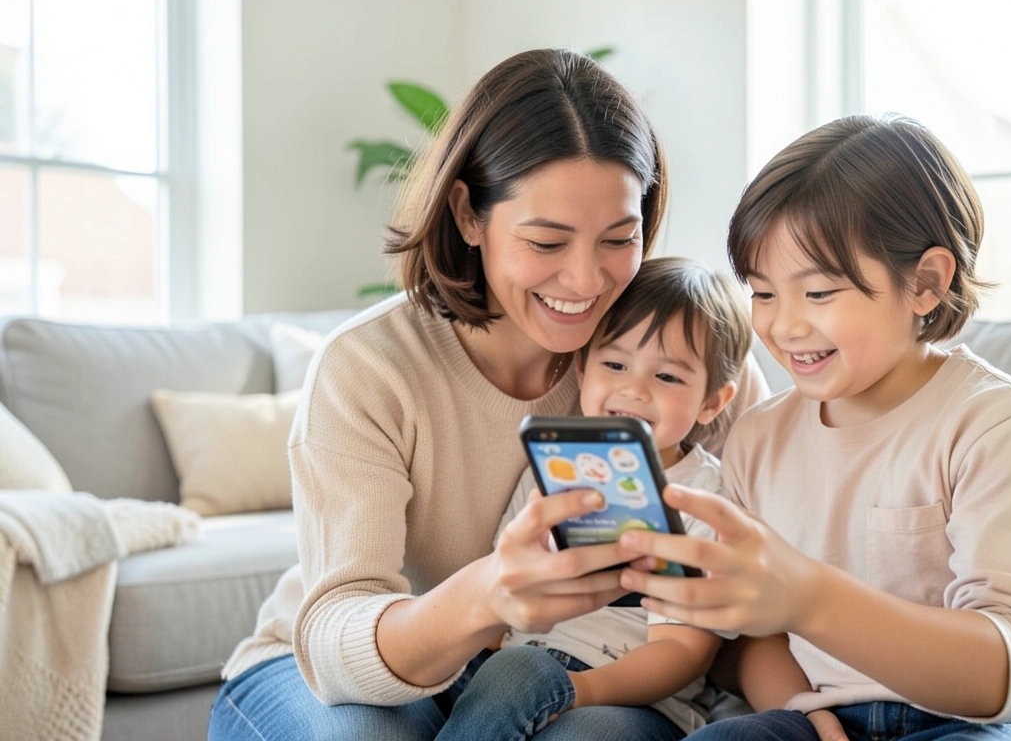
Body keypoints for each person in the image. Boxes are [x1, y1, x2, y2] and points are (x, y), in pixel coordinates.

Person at [207, 49, 768, 741]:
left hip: (567, 669)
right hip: (337, 672)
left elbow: (765, 582)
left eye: (620, 238)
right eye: (546, 241)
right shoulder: (371, 367)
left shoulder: (681, 360)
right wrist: (487, 596)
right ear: (469, 215)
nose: (587, 281)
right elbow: (334, 638)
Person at [614, 115, 1011, 741]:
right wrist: (811, 718)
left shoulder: (992, 421)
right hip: (836, 715)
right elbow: (754, 645)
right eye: (763, 292)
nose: (784, 327)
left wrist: (809, 597)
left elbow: (1010, 671)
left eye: (819, 293)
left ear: (924, 284)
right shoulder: (757, 440)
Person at [437, 256, 752, 740]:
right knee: (500, 672)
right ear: (582, 369)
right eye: (615, 364)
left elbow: (683, 651)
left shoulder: (706, 500)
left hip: (633, 703)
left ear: (713, 402)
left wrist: (580, 690)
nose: (633, 389)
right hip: (510, 674)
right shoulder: (554, 464)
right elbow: (503, 583)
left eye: (667, 377)